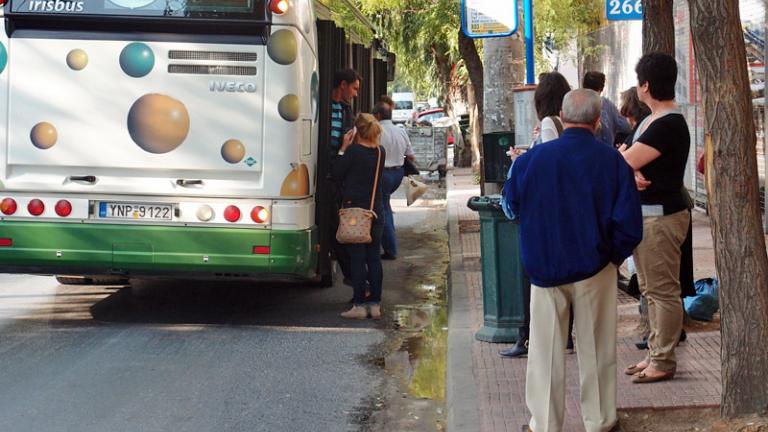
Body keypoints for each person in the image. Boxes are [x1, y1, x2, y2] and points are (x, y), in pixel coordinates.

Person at [507, 89, 642, 432]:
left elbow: (511, 206)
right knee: (597, 349)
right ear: (598, 122)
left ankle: (544, 424)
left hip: (544, 267)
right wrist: (612, 257)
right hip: (595, 266)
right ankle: (599, 421)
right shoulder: (613, 162)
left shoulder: (530, 161)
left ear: (562, 119)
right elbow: (628, 223)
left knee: (545, 352)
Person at [621, 52, 691, 384]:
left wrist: (627, 162)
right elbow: (627, 160)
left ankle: (663, 360)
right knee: (650, 289)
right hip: (648, 216)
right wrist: (629, 164)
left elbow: (624, 160)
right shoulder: (653, 120)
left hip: (661, 218)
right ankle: (654, 353)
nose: (637, 88)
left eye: (638, 82)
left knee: (662, 291)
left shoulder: (668, 123)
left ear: (646, 85)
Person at [499, 71, 574, 359]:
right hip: (562, 209)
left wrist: (521, 160)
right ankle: (564, 335)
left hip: (542, 211)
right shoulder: (564, 122)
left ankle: (528, 337)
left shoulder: (547, 124)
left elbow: (549, 159)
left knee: (533, 276)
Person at [332, 113, 386, 320]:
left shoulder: (353, 151)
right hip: (376, 210)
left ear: (356, 131)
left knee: (357, 258)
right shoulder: (380, 151)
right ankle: (375, 305)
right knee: (374, 258)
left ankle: (359, 305)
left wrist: (342, 149)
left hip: (356, 212)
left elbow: (337, 173)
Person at [328, 69, 361, 285]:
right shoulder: (323, 105)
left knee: (339, 227)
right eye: (354, 88)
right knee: (334, 227)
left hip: (338, 175)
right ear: (343, 85)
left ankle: (353, 276)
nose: (355, 94)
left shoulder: (347, 110)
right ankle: (353, 276)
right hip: (327, 173)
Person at [371, 101, 415, 260]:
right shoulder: (400, 131)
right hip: (397, 174)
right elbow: (411, 156)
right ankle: (388, 242)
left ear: (377, 115)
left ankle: (390, 249)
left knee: (383, 209)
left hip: (382, 174)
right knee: (385, 206)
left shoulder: (375, 131)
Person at [583, 71, 631, 146]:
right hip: (606, 152)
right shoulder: (608, 105)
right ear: (601, 88)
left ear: (584, 86)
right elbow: (626, 127)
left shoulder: (576, 104)